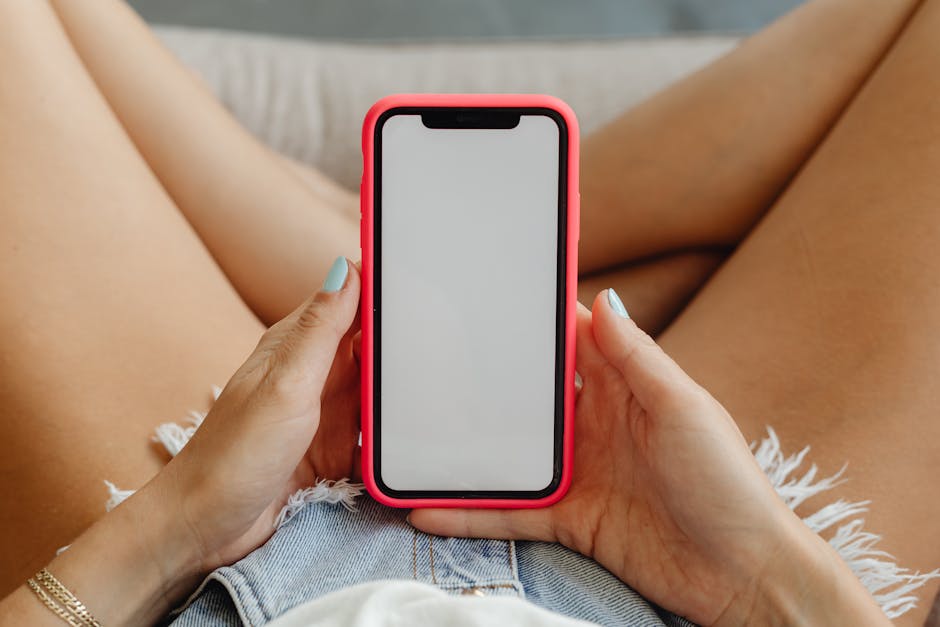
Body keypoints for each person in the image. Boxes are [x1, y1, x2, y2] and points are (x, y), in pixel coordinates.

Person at [0, 0, 937, 624]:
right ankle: (440, 226)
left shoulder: (189, 533)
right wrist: (763, 571)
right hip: (668, 575)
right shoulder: (742, 566)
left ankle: (383, 231)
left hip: (229, 569)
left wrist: (169, 532)